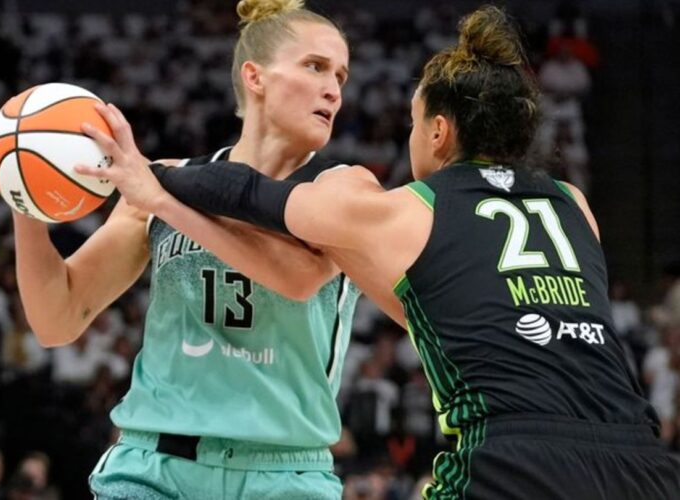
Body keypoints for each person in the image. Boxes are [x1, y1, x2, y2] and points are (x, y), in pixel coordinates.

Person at [78, 5, 680, 499]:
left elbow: (248, 192)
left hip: (513, 459)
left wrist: (152, 178)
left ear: (439, 132)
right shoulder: (575, 204)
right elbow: (458, 311)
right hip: (642, 458)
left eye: (414, 124)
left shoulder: (406, 207)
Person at [0, 0, 361, 497]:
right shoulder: (161, 181)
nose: (332, 89)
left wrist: (162, 197)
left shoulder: (345, 188)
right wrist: (24, 191)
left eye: (341, 75)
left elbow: (298, 278)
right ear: (256, 77)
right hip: (154, 465)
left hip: (283, 472)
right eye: (314, 67)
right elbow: (58, 318)